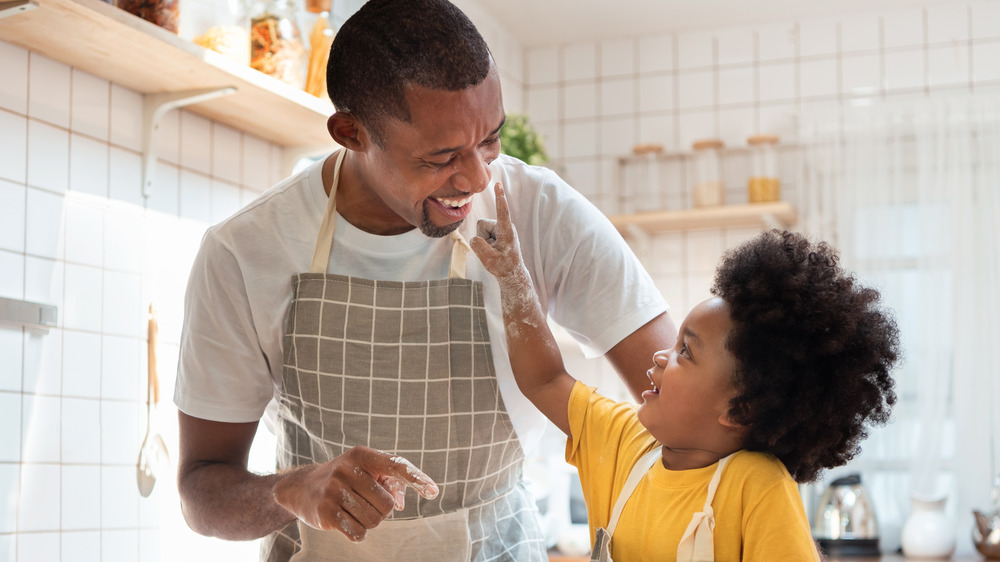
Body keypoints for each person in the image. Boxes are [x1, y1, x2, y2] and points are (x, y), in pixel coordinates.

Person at [173, 0, 677, 560]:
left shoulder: (541, 213)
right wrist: (289, 489)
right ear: (351, 133)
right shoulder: (244, 251)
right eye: (442, 158)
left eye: (490, 139)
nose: (479, 177)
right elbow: (201, 494)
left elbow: (688, 411)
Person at [470, 184, 901, 561]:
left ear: (740, 409)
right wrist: (513, 279)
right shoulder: (623, 442)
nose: (660, 356)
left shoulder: (757, 490)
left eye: (685, 352)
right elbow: (544, 380)